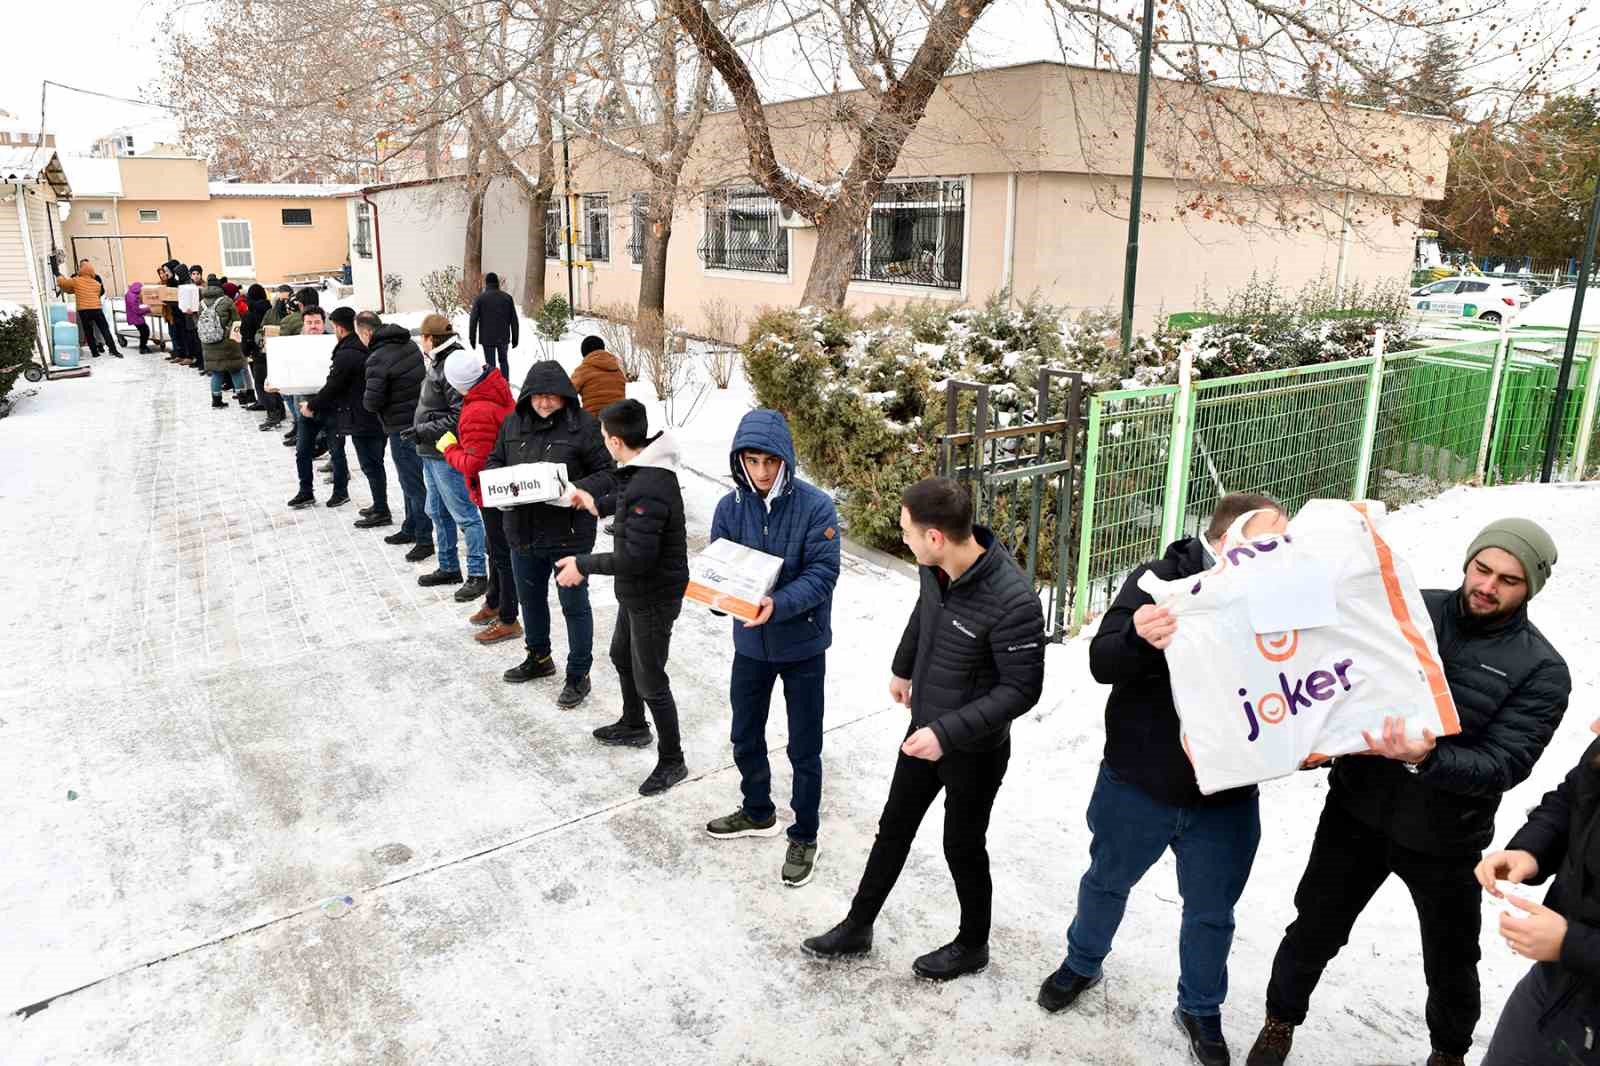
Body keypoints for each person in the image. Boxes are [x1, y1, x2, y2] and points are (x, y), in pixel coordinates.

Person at [1248, 518, 1572, 1066]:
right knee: (1314, 928)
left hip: (1446, 839)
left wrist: (1428, 759)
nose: (1488, 586)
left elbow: (1505, 763)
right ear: (1468, 562)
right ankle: (1279, 1021)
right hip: (1356, 812)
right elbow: (1338, 682)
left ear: (1530, 588)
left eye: (1508, 580)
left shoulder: (1542, 670)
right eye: (1482, 568)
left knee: (1449, 961)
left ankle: (1448, 1054)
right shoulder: (1410, 609)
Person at [1038, 493, 1286, 1066]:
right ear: (1227, 541)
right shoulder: (1157, 580)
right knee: (1106, 881)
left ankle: (1200, 1007)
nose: (1281, 550)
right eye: (1270, 538)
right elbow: (1102, 662)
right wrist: (1137, 639)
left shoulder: (1278, 592)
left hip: (1225, 796)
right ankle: (1081, 963)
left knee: (1211, 911)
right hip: (1138, 783)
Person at [801, 477, 1046, 981]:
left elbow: (1021, 690)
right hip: (924, 727)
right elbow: (926, 614)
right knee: (892, 829)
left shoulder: (1013, 600)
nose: (903, 537)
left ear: (936, 536)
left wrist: (947, 734)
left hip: (973, 750)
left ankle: (973, 945)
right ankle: (858, 926)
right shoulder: (935, 569)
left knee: (962, 845)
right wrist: (903, 664)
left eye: (908, 530)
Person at [702, 410, 841, 890]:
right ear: (740, 460)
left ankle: (804, 833)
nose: (762, 471)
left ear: (786, 461)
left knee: (805, 747)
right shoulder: (729, 507)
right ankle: (757, 809)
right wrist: (716, 598)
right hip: (751, 646)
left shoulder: (816, 507)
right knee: (745, 732)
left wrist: (774, 604)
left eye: (771, 462)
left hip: (802, 645)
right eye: (753, 461)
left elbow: (822, 575)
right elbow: (719, 568)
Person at [558, 399, 689, 796]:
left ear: (615, 442)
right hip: (638, 592)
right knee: (620, 655)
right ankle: (634, 724)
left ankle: (673, 760)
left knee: (652, 680)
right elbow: (630, 495)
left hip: (653, 594)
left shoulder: (651, 483)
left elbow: (635, 556)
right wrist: (597, 503)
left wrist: (583, 563)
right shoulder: (646, 470)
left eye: (603, 438)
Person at [483, 361, 613, 697]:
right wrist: (501, 488)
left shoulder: (584, 426)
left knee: (573, 606)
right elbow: (495, 461)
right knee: (531, 601)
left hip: (568, 534)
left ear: (566, 397)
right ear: (527, 397)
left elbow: (608, 473)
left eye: (551, 397)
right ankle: (538, 657)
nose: (544, 404)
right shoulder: (512, 423)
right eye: (538, 397)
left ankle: (578, 673)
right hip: (522, 532)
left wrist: (576, 491)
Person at [1476, 717, 1600, 1066]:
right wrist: (1531, 851)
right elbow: (1571, 797)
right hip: (1554, 984)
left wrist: (1571, 942)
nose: (1593, 726)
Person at [437, 348, 521, 645]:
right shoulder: (494, 389)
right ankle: (495, 600)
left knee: (502, 552)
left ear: (459, 383)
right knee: (494, 547)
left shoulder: (477, 410)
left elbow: (476, 462)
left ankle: (509, 618)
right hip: (502, 485)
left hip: (493, 489)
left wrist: (449, 448)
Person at [412, 313, 488, 598]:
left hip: (446, 453)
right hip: (430, 452)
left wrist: (424, 430)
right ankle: (448, 566)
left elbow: (459, 416)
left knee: (465, 515)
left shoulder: (453, 366)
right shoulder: (439, 362)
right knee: (437, 511)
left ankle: (478, 573)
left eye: (423, 337)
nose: (421, 341)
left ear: (431, 339)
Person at [362, 315, 434, 562]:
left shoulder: (377, 358)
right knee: (409, 480)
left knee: (412, 484)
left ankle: (424, 538)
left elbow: (371, 402)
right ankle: (411, 527)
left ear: (367, 334)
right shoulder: (409, 345)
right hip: (419, 420)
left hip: (399, 426)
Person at [301, 307, 384, 516]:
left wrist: (311, 406)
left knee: (371, 465)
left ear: (338, 327)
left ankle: (381, 509)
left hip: (360, 416)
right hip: (367, 414)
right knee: (373, 465)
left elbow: (334, 385)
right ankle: (380, 506)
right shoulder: (358, 347)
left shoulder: (347, 353)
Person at [284, 306, 346, 508]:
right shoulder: (295, 345)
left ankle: (340, 492)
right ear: (303, 324)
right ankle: (306, 491)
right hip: (305, 407)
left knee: (337, 452)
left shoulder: (334, 344)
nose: (313, 326)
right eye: (309, 323)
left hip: (333, 406)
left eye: (317, 322)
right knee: (302, 452)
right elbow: (287, 370)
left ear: (324, 322)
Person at [198, 275, 249, 408]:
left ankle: (216, 400)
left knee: (216, 372)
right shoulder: (226, 301)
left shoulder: (201, 303)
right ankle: (242, 399)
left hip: (208, 341)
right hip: (227, 341)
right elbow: (236, 320)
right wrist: (228, 332)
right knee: (235, 370)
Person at [241, 285, 284, 429]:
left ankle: (272, 414)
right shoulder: (272, 310)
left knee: (261, 383)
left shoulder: (249, 314)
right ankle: (280, 410)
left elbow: (246, 336)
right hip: (274, 351)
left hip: (258, 353)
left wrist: (246, 352)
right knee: (273, 381)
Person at [57, 259, 119, 358]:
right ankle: (113, 350)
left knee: (88, 331)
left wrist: (59, 276)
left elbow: (64, 284)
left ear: (81, 270)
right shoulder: (97, 283)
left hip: (84, 310)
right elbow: (98, 293)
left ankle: (94, 352)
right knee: (105, 329)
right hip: (97, 309)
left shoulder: (76, 280)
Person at [468, 272, 519, 379]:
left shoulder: (480, 299)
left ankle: (494, 387)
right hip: (503, 337)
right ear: (497, 283)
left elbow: (473, 320)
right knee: (504, 361)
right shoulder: (507, 298)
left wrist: (472, 338)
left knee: (490, 365)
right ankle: (505, 384)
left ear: (486, 283)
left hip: (487, 338)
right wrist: (515, 338)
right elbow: (514, 320)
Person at [569, 335, 626, 418]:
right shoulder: (618, 370)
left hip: (594, 420)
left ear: (584, 352)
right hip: (618, 420)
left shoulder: (583, 370)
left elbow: (568, 392)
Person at [124, 282, 151, 354]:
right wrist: (148, 309)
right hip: (135, 317)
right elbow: (137, 310)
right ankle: (143, 347)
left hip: (134, 316)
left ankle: (143, 346)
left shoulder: (131, 294)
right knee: (145, 331)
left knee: (144, 330)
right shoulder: (133, 297)